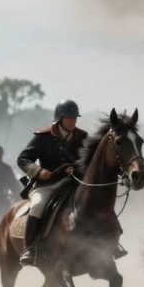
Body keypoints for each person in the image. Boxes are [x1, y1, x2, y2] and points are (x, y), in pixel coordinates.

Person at [15, 100, 88, 266]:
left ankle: (109, 242)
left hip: (74, 183)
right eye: (69, 118)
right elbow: (22, 159)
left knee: (94, 201)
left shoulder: (83, 137)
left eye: (75, 118)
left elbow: (89, 161)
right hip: (47, 185)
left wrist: (77, 169)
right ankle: (29, 248)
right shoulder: (43, 137)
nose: (73, 121)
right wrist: (38, 171)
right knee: (37, 206)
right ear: (60, 118)